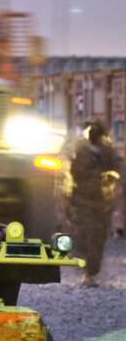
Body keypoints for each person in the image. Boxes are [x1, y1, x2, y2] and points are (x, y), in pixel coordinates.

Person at [63, 120, 122, 287]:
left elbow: (118, 169)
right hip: (81, 200)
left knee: (96, 238)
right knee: (81, 236)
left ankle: (90, 272)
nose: (92, 133)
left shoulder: (106, 152)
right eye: (90, 130)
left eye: (95, 131)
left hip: (100, 202)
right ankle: (85, 269)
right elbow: (72, 173)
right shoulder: (81, 151)